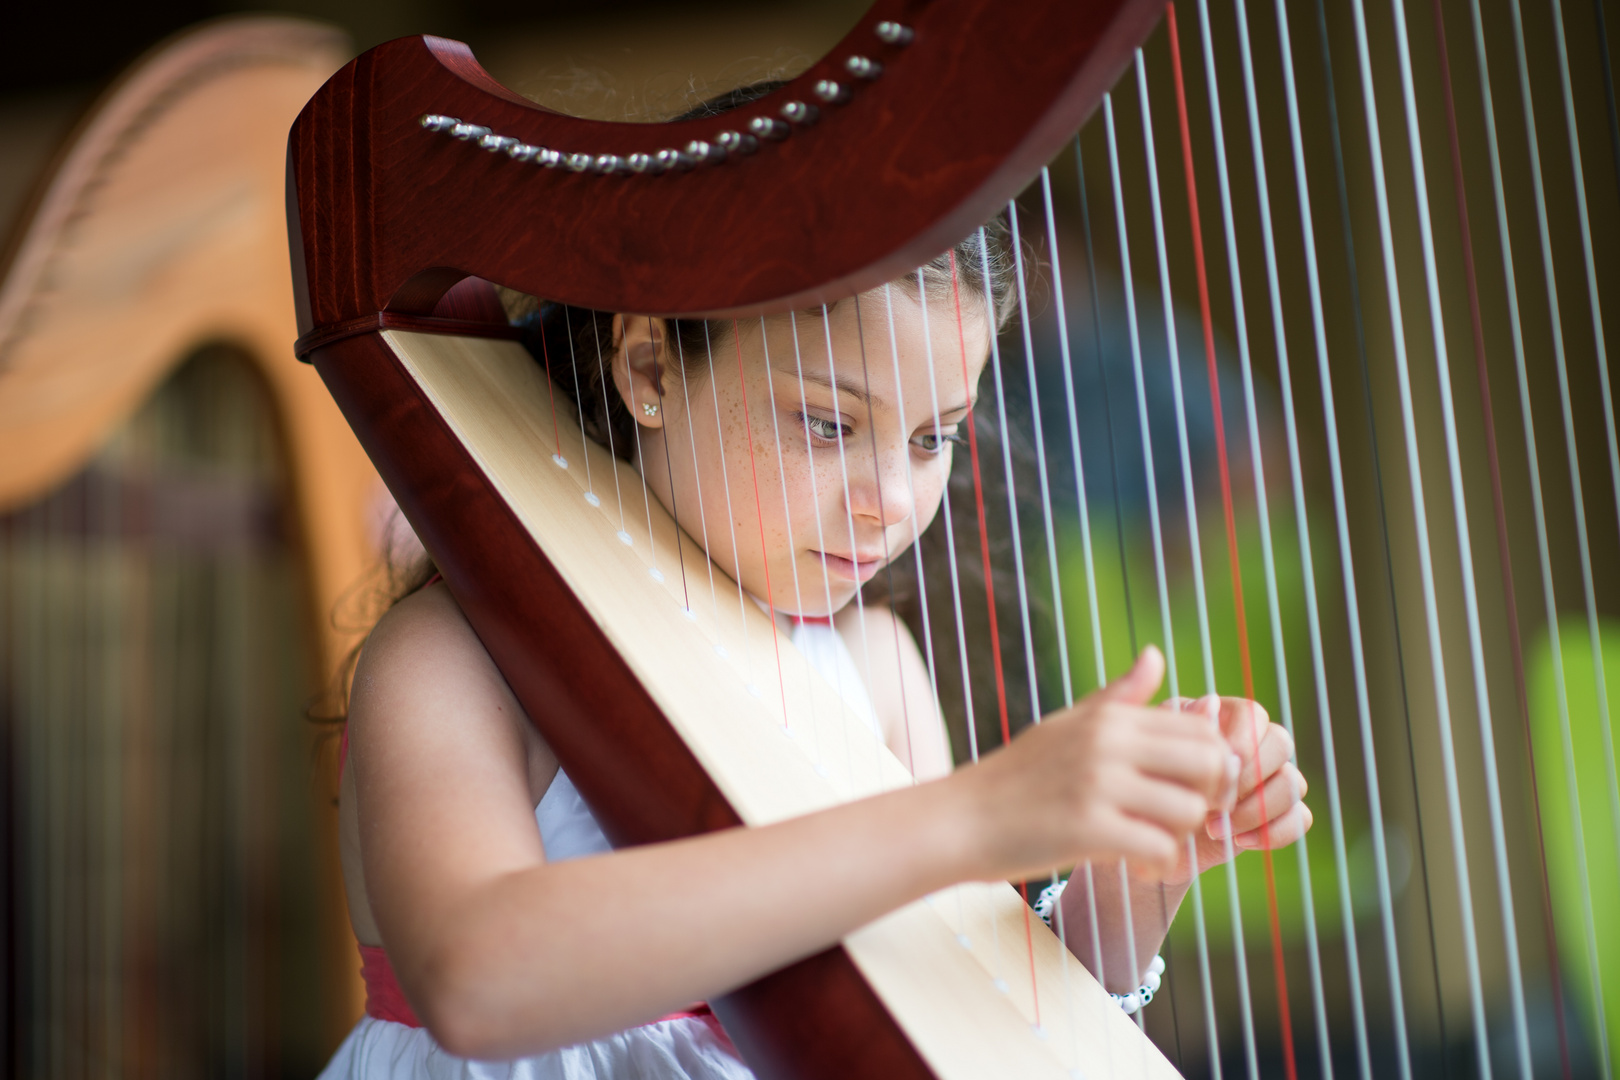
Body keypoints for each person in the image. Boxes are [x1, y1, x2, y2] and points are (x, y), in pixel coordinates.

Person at [316, 210, 1312, 1079]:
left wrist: (1131, 885)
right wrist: (972, 816)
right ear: (650, 365)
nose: (890, 500)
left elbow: (976, 1021)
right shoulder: (455, 659)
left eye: (933, 438)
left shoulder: (874, 666)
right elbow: (476, 979)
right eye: (831, 425)